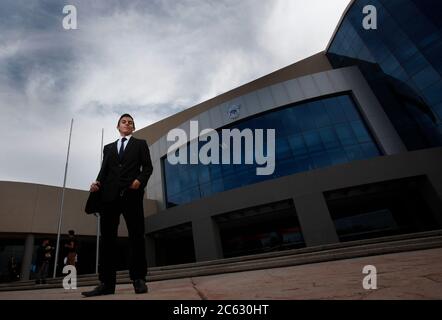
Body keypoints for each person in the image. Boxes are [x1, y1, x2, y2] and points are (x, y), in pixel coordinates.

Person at [82, 114, 153, 297]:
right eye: (124, 122)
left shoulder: (140, 144)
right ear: (118, 126)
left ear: (133, 128)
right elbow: (104, 170)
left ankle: (138, 279)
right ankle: (106, 284)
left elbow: (148, 168)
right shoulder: (109, 148)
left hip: (132, 195)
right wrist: (97, 183)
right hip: (109, 196)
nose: (127, 124)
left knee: (136, 236)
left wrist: (139, 180)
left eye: (130, 122)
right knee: (107, 240)